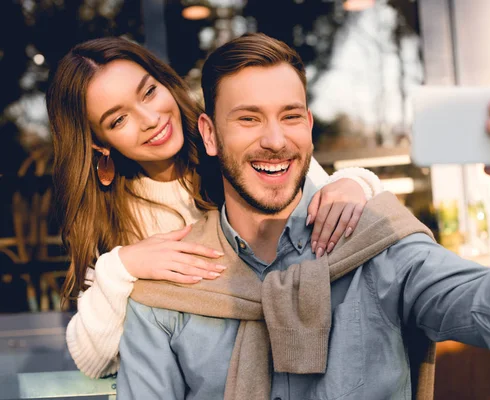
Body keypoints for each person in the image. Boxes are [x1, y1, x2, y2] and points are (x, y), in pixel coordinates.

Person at [117, 33, 490, 399]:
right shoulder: (170, 288)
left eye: (291, 116)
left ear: (309, 126)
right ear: (210, 135)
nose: (276, 140)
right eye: (248, 118)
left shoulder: (379, 243)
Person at [45, 36, 384, 379]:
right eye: (118, 120)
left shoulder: (240, 145)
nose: (150, 118)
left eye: (149, 92)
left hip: (308, 363)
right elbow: (94, 360)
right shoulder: (107, 217)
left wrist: (356, 183)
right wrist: (121, 266)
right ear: (97, 143)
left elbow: (343, 208)